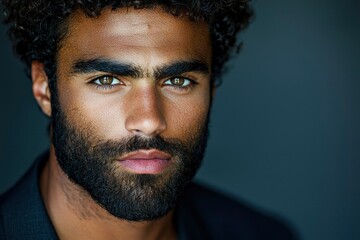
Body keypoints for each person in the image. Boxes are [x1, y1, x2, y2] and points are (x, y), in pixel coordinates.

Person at [0, 0, 296, 239]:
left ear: (211, 91)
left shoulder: (262, 234)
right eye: (106, 80)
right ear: (45, 89)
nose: (150, 120)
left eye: (178, 81)